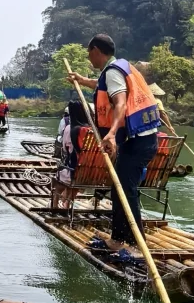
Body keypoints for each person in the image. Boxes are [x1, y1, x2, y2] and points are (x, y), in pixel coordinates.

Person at [67, 34, 160, 252]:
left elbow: (120, 104)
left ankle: (136, 246)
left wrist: (111, 132)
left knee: (125, 190)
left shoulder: (113, 72)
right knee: (119, 188)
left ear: (96, 51)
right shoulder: (118, 68)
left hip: (139, 141)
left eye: (89, 53)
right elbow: (103, 86)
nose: (89, 58)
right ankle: (118, 239)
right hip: (139, 138)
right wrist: (82, 80)